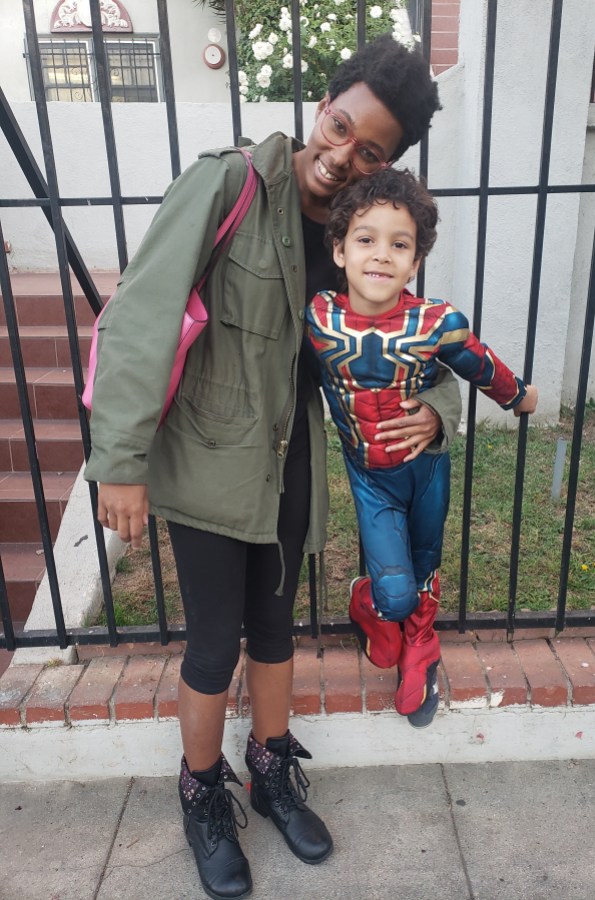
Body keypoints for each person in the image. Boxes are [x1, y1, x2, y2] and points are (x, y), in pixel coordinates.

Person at [84, 36, 463, 900]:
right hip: (209, 463)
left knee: (277, 628)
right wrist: (120, 462)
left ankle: (269, 768)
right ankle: (202, 795)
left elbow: (423, 341)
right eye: (338, 127)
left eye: (369, 152)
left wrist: (434, 411)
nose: (340, 156)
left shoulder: (351, 237)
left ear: (388, 164)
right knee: (215, 643)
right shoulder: (225, 185)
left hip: (292, 463)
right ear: (321, 105)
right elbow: (141, 316)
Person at [306, 167, 539, 729]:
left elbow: (482, 366)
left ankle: (423, 649)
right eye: (366, 239)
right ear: (339, 250)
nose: (381, 254)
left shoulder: (437, 323)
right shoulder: (315, 318)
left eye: (399, 243)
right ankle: (372, 604)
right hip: (370, 476)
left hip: (427, 469)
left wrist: (519, 397)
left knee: (427, 564)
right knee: (394, 590)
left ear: (415, 261)